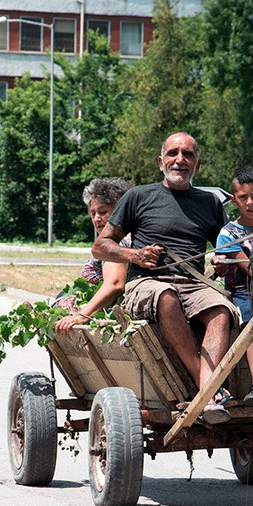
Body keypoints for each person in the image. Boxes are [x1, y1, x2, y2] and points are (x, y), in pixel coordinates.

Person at [92, 132, 237, 424]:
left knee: (222, 310)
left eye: (188, 155)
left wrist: (224, 262)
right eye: (173, 153)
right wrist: (135, 256)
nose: (179, 160)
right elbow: (101, 246)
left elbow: (227, 247)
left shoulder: (210, 203)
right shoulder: (139, 196)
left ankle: (205, 393)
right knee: (166, 296)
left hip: (194, 284)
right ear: (161, 162)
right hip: (146, 283)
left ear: (197, 165)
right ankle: (208, 390)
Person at [211, 167, 253, 407]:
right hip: (244, 291)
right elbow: (251, 269)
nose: (250, 202)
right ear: (234, 200)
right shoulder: (228, 234)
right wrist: (220, 265)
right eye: (243, 197)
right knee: (252, 323)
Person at [53, 177, 132, 334]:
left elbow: (115, 284)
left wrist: (81, 316)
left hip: (90, 315)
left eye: (103, 212)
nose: (97, 218)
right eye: (93, 213)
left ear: (120, 212)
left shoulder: (117, 244)